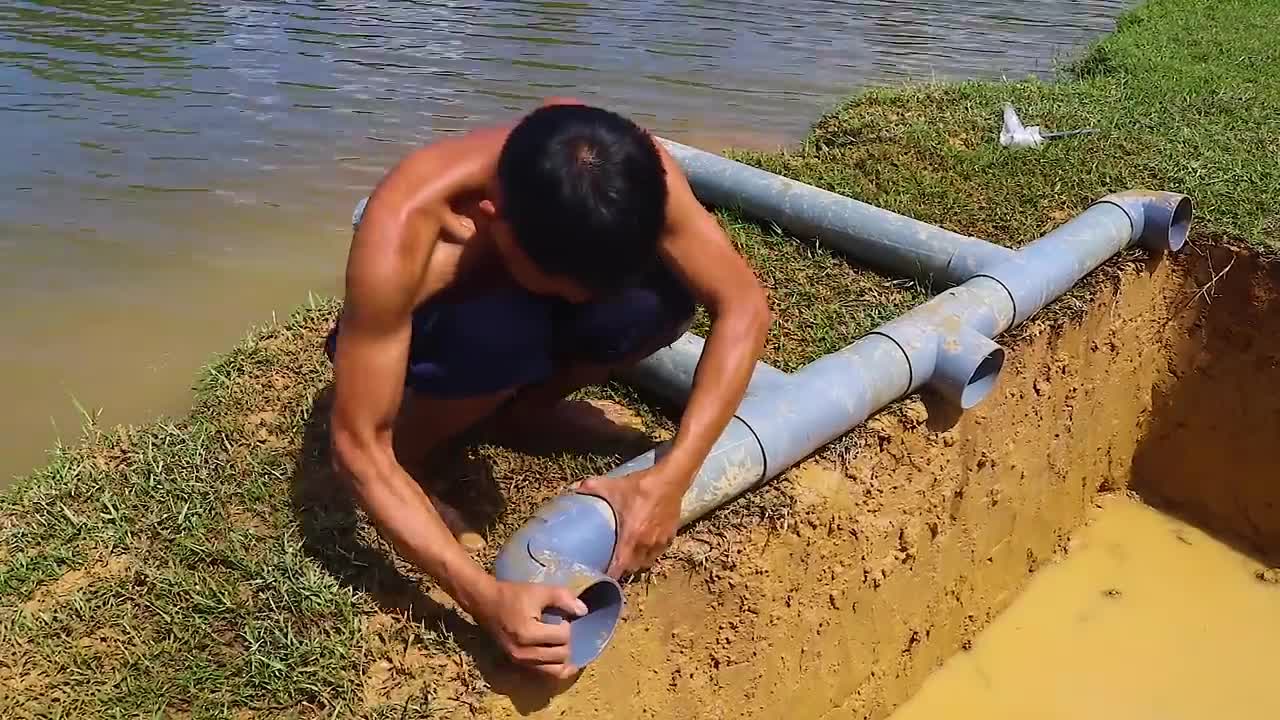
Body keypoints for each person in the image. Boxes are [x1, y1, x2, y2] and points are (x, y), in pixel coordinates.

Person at [325, 98, 770, 679]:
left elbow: (743, 304)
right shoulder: (410, 226)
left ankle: (523, 414)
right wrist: (484, 596)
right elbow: (357, 445)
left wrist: (673, 476)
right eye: (567, 286)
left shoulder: (626, 168)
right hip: (435, 335)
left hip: (519, 292)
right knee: (504, 330)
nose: (583, 302)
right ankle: (418, 458)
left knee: (659, 299)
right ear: (491, 218)